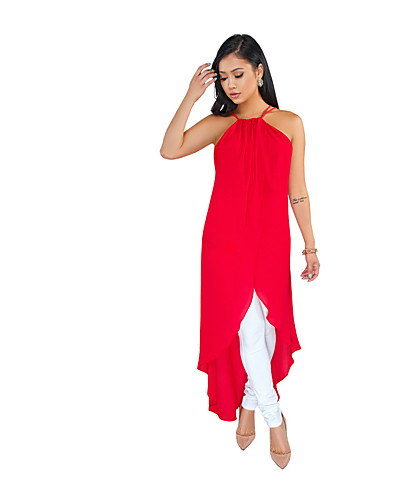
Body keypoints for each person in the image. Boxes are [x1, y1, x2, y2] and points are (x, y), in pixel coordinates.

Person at [160, 34, 319, 469]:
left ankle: (249, 400)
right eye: (224, 77)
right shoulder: (220, 125)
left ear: (259, 72)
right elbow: (169, 149)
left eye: (239, 74)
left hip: (270, 242)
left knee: (266, 333)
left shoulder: (289, 123)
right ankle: (275, 418)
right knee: (249, 332)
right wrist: (191, 97)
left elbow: (298, 191)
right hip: (224, 244)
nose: (230, 84)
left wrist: (309, 245)